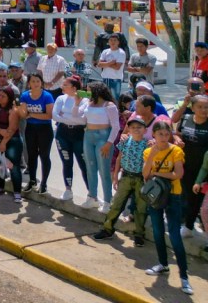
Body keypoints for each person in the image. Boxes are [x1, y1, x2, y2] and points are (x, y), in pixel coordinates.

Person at [142, 120, 193, 295]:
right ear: (153, 135)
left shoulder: (176, 151)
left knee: (174, 235)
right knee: (157, 231)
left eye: (166, 134)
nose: (164, 137)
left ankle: (184, 277)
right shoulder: (149, 151)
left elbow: (178, 174)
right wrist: (151, 157)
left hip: (173, 196)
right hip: (156, 196)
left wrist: (157, 173)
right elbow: (145, 174)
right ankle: (163, 264)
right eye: (160, 134)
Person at [94, 116, 149, 246]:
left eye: (139, 127)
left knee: (141, 208)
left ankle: (139, 234)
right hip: (126, 176)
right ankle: (107, 229)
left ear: (145, 130)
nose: (136, 129)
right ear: (128, 129)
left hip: (141, 178)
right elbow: (119, 158)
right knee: (116, 204)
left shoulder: (148, 144)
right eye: (133, 127)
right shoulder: (125, 141)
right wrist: (115, 176)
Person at [79, 82, 120, 211]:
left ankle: (107, 201)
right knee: (90, 168)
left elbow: (116, 126)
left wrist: (109, 143)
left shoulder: (109, 106)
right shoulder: (88, 103)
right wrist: (77, 102)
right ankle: (92, 197)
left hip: (103, 136)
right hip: (89, 136)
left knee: (104, 170)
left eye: (89, 90)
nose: (87, 92)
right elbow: (82, 119)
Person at [175, 95, 208, 237]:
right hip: (185, 165)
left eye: (206, 107)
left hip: (204, 168)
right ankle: (188, 225)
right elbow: (176, 134)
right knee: (188, 196)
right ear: (192, 108)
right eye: (200, 107)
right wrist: (177, 140)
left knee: (198, 199)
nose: (204, 110)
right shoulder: (185, 119)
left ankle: (189, 226)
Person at [52, 77, 89, 202]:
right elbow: (55, 116)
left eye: (65, 84)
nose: (62, 86)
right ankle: (68, 189)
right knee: (67, 162)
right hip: (62, 134)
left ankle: (91, 193)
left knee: (83, 164)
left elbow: (83, 120)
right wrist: (72, 118)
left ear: (74, 88)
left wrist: (65, 116)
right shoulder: (60, 99)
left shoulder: (84, 100)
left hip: (78, 134)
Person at [0, 85, 23, 203]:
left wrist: (3, 142)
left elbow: (12, 129)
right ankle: (0, 187)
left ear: (9, 98)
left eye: (3, 96)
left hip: (11, 140)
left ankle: (17, 192)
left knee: (14, 166)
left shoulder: (13, 110)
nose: (0, 97)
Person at [97, 34, 126, 100]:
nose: (113, 42)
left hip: (115, 79)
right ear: (108, 42)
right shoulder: (105, 51)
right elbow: (99, 64)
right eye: (111, 40)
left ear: (118, 42)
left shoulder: (121, 53)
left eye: (115, 40)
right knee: (104, 99)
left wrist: (105, 63)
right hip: (105, 78)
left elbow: (117, 67)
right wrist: (110, 63)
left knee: (114, 99)